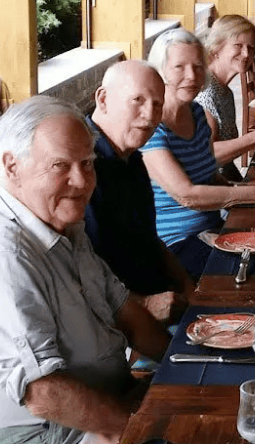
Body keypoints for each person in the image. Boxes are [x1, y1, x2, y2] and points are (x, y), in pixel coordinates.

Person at [0, 95, 171, 444]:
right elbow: (41, 393)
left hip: (93, 403)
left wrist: (180, 363)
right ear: (12, 166)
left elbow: (125, 312)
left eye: (88, 164)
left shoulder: (61, 225)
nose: (81, 181)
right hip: (34, 430)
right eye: (61, 166)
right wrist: (134, 429)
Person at [142, 28, 255, 278]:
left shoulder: (197, 113)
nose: (191, 76)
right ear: (160, 71)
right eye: (180, 67)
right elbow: (187, 195)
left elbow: (209, 175)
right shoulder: (152, 126)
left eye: (198, 67)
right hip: (175, 244)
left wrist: (252, 199)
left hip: (214, 229)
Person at [86, 60, 195, 325]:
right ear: (103, 99)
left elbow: (150, 239)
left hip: (165, 301)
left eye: (158, 104)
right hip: (119, 322)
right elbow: (77, 275)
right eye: (137, 99)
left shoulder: (131, 157)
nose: (149, 115)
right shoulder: (82, 166)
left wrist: (191, 289)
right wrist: (144, 304)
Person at [197, 15, 255, 180]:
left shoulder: (224, 91)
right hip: (210, 188)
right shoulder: (205, 92)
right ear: (217, 47)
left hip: (226, 180)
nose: (246, 54)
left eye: (251, 48)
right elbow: (207, 156)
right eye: (238, 46)